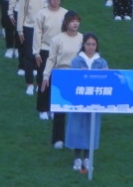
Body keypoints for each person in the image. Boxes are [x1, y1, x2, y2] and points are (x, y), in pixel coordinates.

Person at [40, 10, 83, 149]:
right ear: (66, 23)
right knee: (59, 110)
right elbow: (51, 59)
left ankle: (75, 139)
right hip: (61, 76)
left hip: (77, 76)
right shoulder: (57, 39)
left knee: (77, 111)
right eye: (72, 21)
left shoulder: (83, 39)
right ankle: (58, 139)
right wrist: (46, 76)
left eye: (77, 21)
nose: (75, 23)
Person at [65, 33, 107, 173]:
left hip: (94, 102)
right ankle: (77, 158)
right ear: (83, 45)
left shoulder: (101, 62)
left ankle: (88, 158)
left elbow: (108, 82)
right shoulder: (77, 61)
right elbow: (71, 80)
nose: (90, 47)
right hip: (78, 102)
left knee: (91, 128)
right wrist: (78, 74)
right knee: (77, 129)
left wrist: (107, 75)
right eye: (88, 44)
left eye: (93, 44)